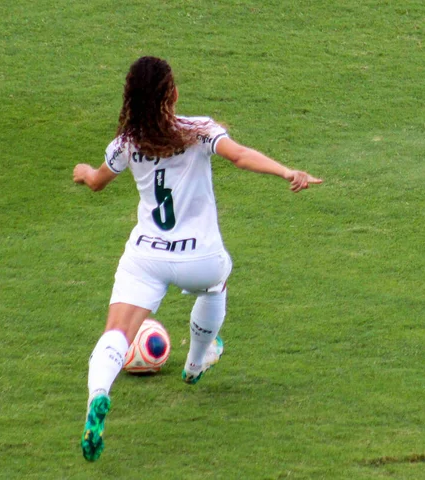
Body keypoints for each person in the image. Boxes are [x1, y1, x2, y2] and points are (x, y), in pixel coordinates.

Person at [73, 56, 322, 462]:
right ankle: (196, 361)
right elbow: (239, 155)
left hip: (146, 256)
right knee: (217, 281)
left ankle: (98, 395)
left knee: (117, 332)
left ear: (130, 99)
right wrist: (286, 172)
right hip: (199, 257)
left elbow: (98, 182)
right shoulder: (198, 130)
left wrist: (84, 171)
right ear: (172, 93)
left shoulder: (126, 143)